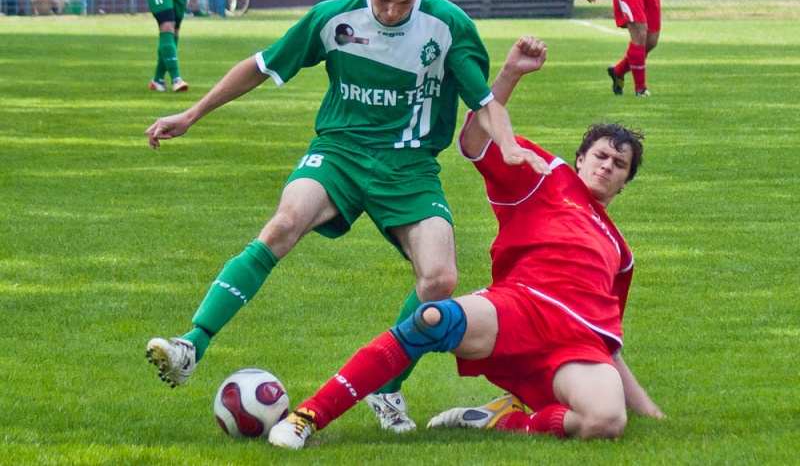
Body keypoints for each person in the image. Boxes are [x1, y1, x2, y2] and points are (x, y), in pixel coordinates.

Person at [143, 0, 550, 434]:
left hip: (409, 165)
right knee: (284, 224)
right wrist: (191, 114)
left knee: (440, 279)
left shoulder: (447, 25)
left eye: (405, 2)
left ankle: (386, 385)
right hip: (339, 152)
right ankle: (191, 344)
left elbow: (485, 103)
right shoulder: (333, 18)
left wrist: (508, 146)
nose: (393, 12)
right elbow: (261, 65)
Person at [266, 35, 665, 449]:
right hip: (519, 307)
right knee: (432, 319)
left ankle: (502, 422)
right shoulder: (546, 173)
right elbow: (474, 141)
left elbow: (609, 341)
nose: (607, 166)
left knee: (605, 421)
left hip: (578, 345)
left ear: (625, 181)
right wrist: (510, 73)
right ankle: (308, 415)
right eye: (600, 155)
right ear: (581, 158)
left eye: (619, 164)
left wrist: (651, 413)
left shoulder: (621, 253)